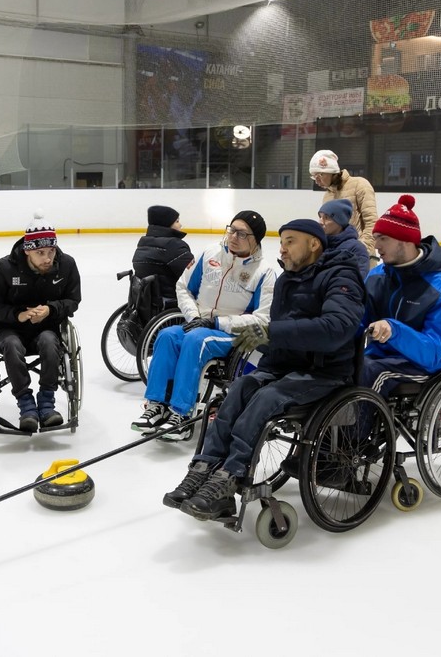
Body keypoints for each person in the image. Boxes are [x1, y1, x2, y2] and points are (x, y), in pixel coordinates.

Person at [163, 219, 365, 521]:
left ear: (314, 244)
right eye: (281, 241)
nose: (282, 248)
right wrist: (264, 355)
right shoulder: (287, 281)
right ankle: (204, 468)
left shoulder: (341, 277)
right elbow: (279, 333)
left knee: (265, 399)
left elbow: (336, 328)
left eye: (290, 241)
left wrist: (271, 334)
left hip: (325, 373)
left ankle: (231, 475)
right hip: (285, 367)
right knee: (239, 389)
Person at [131, 210, 275, 440]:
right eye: (232, 230)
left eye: (242, 234)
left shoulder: (264, 272)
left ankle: (182, 414)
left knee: (196, 340)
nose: (233, 236)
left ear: (255, 239)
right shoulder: (209, 254)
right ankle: (157, 406)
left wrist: (217, 322)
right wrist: (194, 316)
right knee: (167, 335)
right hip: (199, 323)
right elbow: (183, 287)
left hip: (232, 334)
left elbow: (262, 319)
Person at [0, 213, 82, 432]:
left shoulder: (67, 265)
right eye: (40, 253)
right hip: (10, 329)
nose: (47, 258)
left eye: (51, 251)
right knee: (12, 345)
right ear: (27, 251)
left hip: (46, 328)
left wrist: (51, 309)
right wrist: (17, 314)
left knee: (49, 342)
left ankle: (46, 403)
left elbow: (73, 300)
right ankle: (26, 405)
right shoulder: (5, 268)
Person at [359, 195, 441, 397]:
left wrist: (394, 330)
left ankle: (358, 420)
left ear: (406, 240)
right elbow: (358, 322)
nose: (377, 246)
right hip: (381, 356)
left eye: (383, 238)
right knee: (340, 365)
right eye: (376, 238)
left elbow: (432, 352)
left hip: (429, 364)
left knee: (370, 372)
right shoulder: (376, 276)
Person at [309, 149, 378, 266]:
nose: (317, 181)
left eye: (319, 175)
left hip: (362, 257)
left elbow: (372, 222)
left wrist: (361, 249)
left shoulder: (360, 185)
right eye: (314, 177)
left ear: (332, 171)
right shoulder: (327, 196)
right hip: (337, 258)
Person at [131, 204, 194, 310]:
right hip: (171, 301)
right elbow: (193, 275)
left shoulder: (143, 242)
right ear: (166, 223)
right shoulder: (174, 245)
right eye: (177, 221)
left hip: (147, 301)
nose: (180, 225)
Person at [318, 198, 369, 280]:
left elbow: (358, 279)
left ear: (339, 221)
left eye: (326, 218)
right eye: (320, 217)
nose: (320, 222)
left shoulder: (356, 248)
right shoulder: (319, 244)